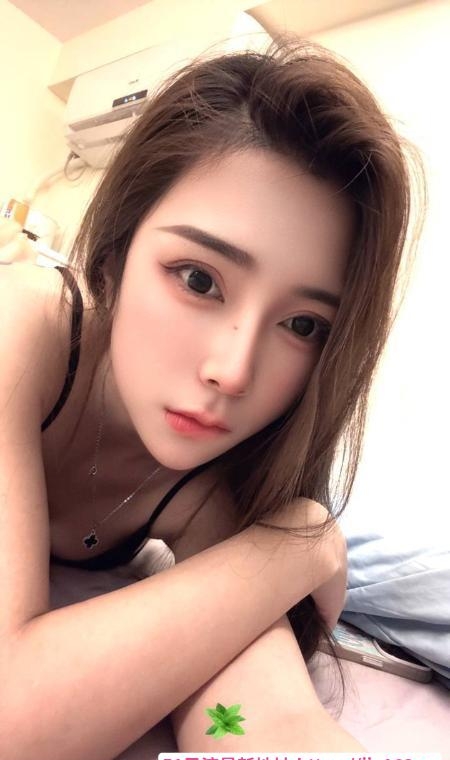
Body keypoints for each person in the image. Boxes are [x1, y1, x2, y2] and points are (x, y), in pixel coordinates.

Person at [0, 34, 424, 757]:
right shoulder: (22, 330)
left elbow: (250, 715)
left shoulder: (211, 487)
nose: (234, 370)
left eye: (302, 325)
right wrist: (303, 547)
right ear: (115, 256)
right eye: (199, 280)